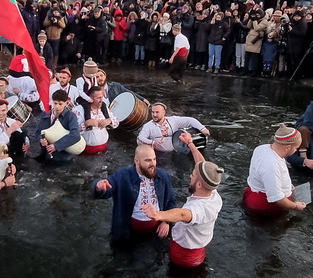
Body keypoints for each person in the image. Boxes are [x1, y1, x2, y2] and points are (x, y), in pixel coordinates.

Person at [142, 132, 223, 268]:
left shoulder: (199, 209)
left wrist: (158, 215)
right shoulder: (213, 192)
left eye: (192, 175)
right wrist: (190, 144)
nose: (190, 176)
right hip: (199, 250)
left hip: (184, 256)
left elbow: (182, 214)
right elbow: (202, 164)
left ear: (198, 184)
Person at [91, 144, 177, 242]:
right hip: (128, 232)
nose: (153, 164)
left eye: (154, 159)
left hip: (156, 231)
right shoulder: (123, 176)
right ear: (136, 161)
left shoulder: (163, 176)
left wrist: (166, 222)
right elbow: (107, 188)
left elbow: (171, 200)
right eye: (148, 160)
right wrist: (99, 187)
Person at [244, 125, 307, 214]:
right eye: (296, 148)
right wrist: (295, 206)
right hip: (265, 206)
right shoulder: (271, 165)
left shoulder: (261, 148)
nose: (296, 151)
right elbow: (278, 198)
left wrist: (287, 184)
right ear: (287, 147)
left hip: (253, 194)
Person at [136, 102, 209, 153]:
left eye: (157, 112)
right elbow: (139, 139)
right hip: (160, 155)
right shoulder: (148, 126)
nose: (154, 115)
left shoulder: (173, 120)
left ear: (164, 112)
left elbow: (190, 120)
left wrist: (202, 128)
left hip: (177, 152)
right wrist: (153, 143)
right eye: (153, 112)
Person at [35, 89, 82, 164]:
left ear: (66, 103)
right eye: (55, 103)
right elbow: (37, 132)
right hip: (45, 155)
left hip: (63, 156)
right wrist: (41, 140)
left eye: (60, 104)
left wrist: (56, 146)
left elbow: (76, 135)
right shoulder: (45, 114)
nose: (57, 107)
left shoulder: (71, 116)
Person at [75, 86, 118, 155]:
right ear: (90, 99)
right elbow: (73, 131)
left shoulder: (104, 108)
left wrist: (109, 121)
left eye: (102, 97)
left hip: (104, 149)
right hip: (86, 151)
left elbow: (116, 122)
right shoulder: (78, 110)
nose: (101, 100)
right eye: (98, 98)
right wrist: (86, 124)